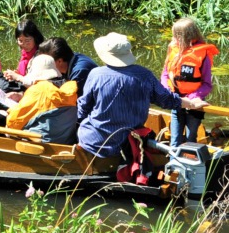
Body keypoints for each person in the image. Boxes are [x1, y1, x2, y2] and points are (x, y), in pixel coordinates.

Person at [77, 32, 207, 159]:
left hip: (95, 142)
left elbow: (83, 107)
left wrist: (78, 122)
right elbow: (166, 99)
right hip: (130, 141)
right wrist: (191, 103)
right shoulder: (144, 75)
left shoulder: (95, 74)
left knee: (80, 127)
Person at [161, 17, 219, 146]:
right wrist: (169, 92)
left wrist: (192, 98)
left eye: (176, 36)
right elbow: (165, 75)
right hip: (176, 101)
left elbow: (207, 85)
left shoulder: (202, 55)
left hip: (194, 105)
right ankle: (174, 163)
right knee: (175, 141)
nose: (173, 39)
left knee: (190, 138)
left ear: (184, 37)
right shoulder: (173, 49)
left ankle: (189, 163)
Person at [5, 54, 78, 137]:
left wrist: (11, 110)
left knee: (8, 129)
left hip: (40, 142)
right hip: (65, 140)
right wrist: (21, 96)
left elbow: (13, 122)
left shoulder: (38, 90)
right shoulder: (69, 87)